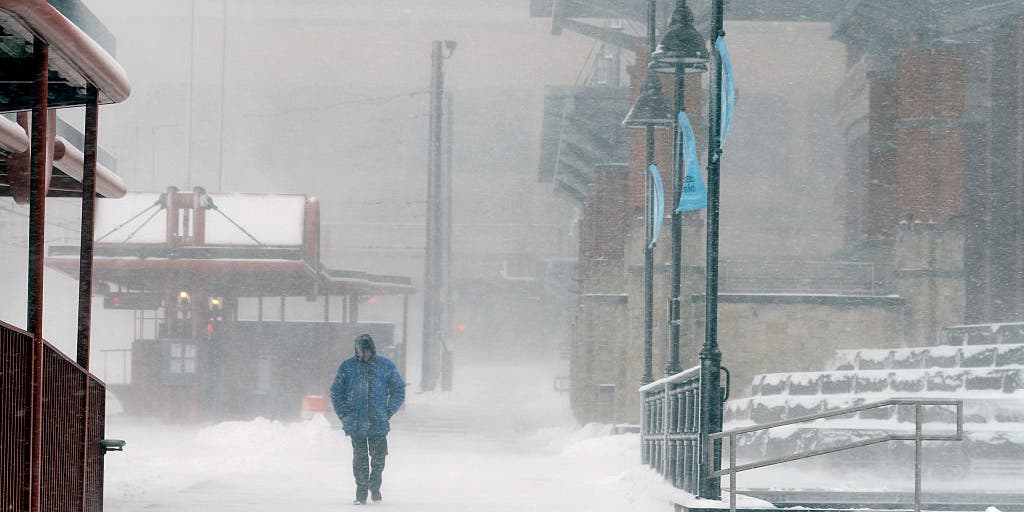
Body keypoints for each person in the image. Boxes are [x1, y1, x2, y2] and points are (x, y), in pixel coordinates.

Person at [330, 333, 406, 505]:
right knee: (360, 458)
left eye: (368, 351)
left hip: (378, 421)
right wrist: (343, 414)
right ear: (357, 351)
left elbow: (399, 389)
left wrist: (389, 410)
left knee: (379, 457)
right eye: (362, 351)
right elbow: (336, 392)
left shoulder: (385, 366)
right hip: (356, 423)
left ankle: (375, 484)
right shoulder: (347, 367)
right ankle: (361, 492)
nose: (365, 354)